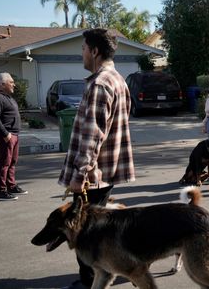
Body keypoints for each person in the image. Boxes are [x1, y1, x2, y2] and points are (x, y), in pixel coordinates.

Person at [58, 28, 135, 289]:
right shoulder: (118, 80)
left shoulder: (101, 83)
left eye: (82, 48)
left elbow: (93, 135)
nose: (81, 53)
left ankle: (90, 281)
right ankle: (95, 278)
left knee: (85, 233)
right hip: (104, 172)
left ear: (94, 51)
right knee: (96, 231)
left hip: (93, 176)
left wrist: (80, 176)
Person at [0, 72, 28, 201]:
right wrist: (5, 134)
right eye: (11, 82)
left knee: (12, 162)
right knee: (4, 163)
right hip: (6, 136)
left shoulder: (7, 97)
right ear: (2, 84)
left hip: (14, 135)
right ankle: (1, 191)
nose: (14, 84)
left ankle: (11, 186)